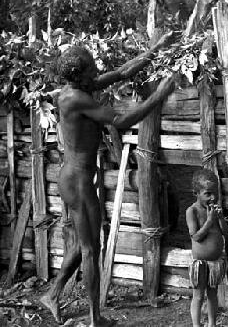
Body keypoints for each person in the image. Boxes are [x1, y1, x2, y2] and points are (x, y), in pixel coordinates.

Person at [39, 33, 177, 327]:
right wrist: (160, 95)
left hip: (75, 179)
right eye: (92, 69)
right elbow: (120, 121)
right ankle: (94, 318)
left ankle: (52, 295)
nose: (96, 73)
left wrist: (158, 48)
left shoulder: (78, 87)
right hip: (76, 182)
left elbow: (122, 72)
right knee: (92, 249)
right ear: (82, 75)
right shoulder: (75, 98)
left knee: (81, 245)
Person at [186, 169, 228, 327]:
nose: (213, 198)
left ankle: (212, 324)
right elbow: (196, 237)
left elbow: (225, 232)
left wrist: (220, 219)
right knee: (198, 295)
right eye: (208, 194)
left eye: (215, 193)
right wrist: (210, 221)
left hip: (215, 263)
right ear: (196, 193)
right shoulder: (192, 211)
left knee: (213, 294)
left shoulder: (215, 211)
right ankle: (196, 325)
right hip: (200, 263)